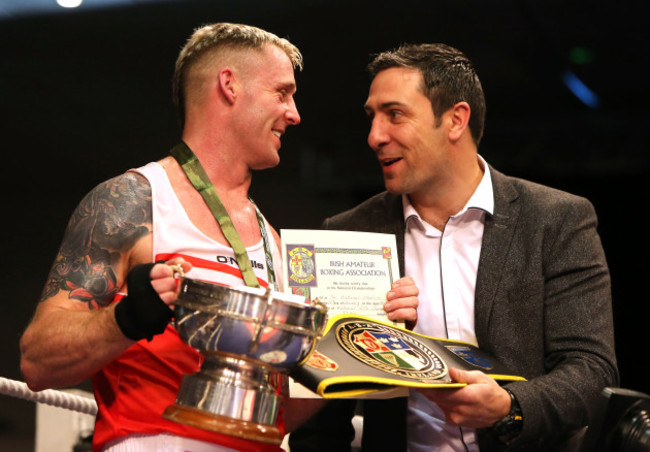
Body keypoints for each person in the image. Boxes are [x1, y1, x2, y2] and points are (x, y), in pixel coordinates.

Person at [19, 23, 419, 452]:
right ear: (229, 85)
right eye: (282, 93)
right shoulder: (135, 201)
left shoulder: (274, 242)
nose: (295, 113)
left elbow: (279, 416)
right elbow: (38, 361)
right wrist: (129, 317)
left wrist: (367, 342)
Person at [288, 43, 618, 452]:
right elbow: (322, 409)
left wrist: (510, 408)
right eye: (371, 117)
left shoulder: (555, 219)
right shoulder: (349, 233)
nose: (374, 136)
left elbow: (591, 371)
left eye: (395, 114)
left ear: (455, 120)